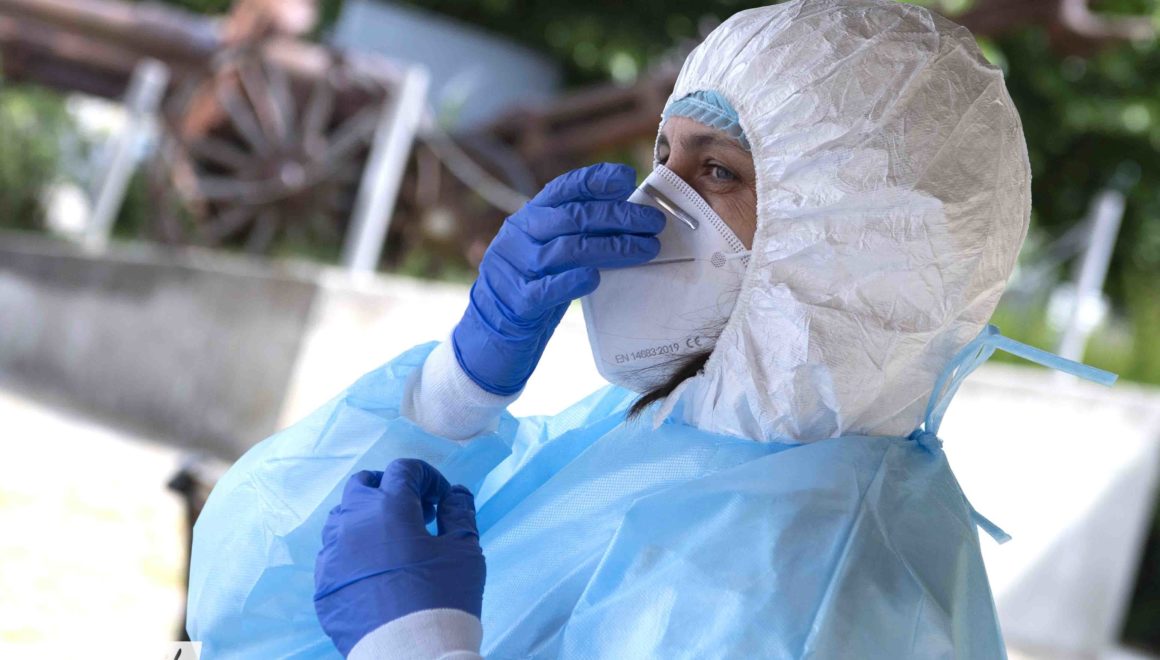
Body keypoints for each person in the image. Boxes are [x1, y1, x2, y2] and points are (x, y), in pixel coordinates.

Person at [187, 1, 1115, 658]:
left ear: (857, 247)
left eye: (717, 172)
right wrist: (452, 396)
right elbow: (249, 605)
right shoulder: (664, 445)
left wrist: (415, 647)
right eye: (662, 155)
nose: (650, 205)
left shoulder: (813, 586)